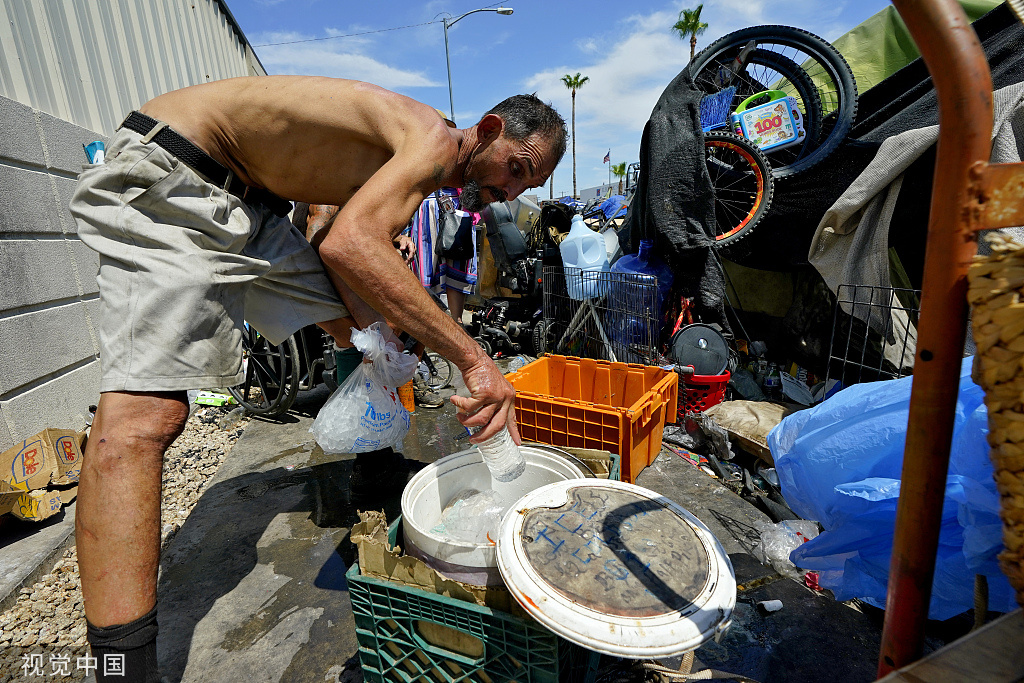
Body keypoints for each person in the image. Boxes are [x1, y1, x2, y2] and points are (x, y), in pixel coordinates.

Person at [69, 75, 566, 682]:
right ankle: (122, 666)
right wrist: (474, 358)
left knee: (370, 335)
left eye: (526, 186)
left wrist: (381, 330)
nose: (508, 192)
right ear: (487, 131)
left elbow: (333, 234)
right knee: (145, 420)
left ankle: (377, 465)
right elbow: (352, 244)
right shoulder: (433, 140)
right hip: (177, 173)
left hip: (252, 207)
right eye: (514, 168)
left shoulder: (424, 168)